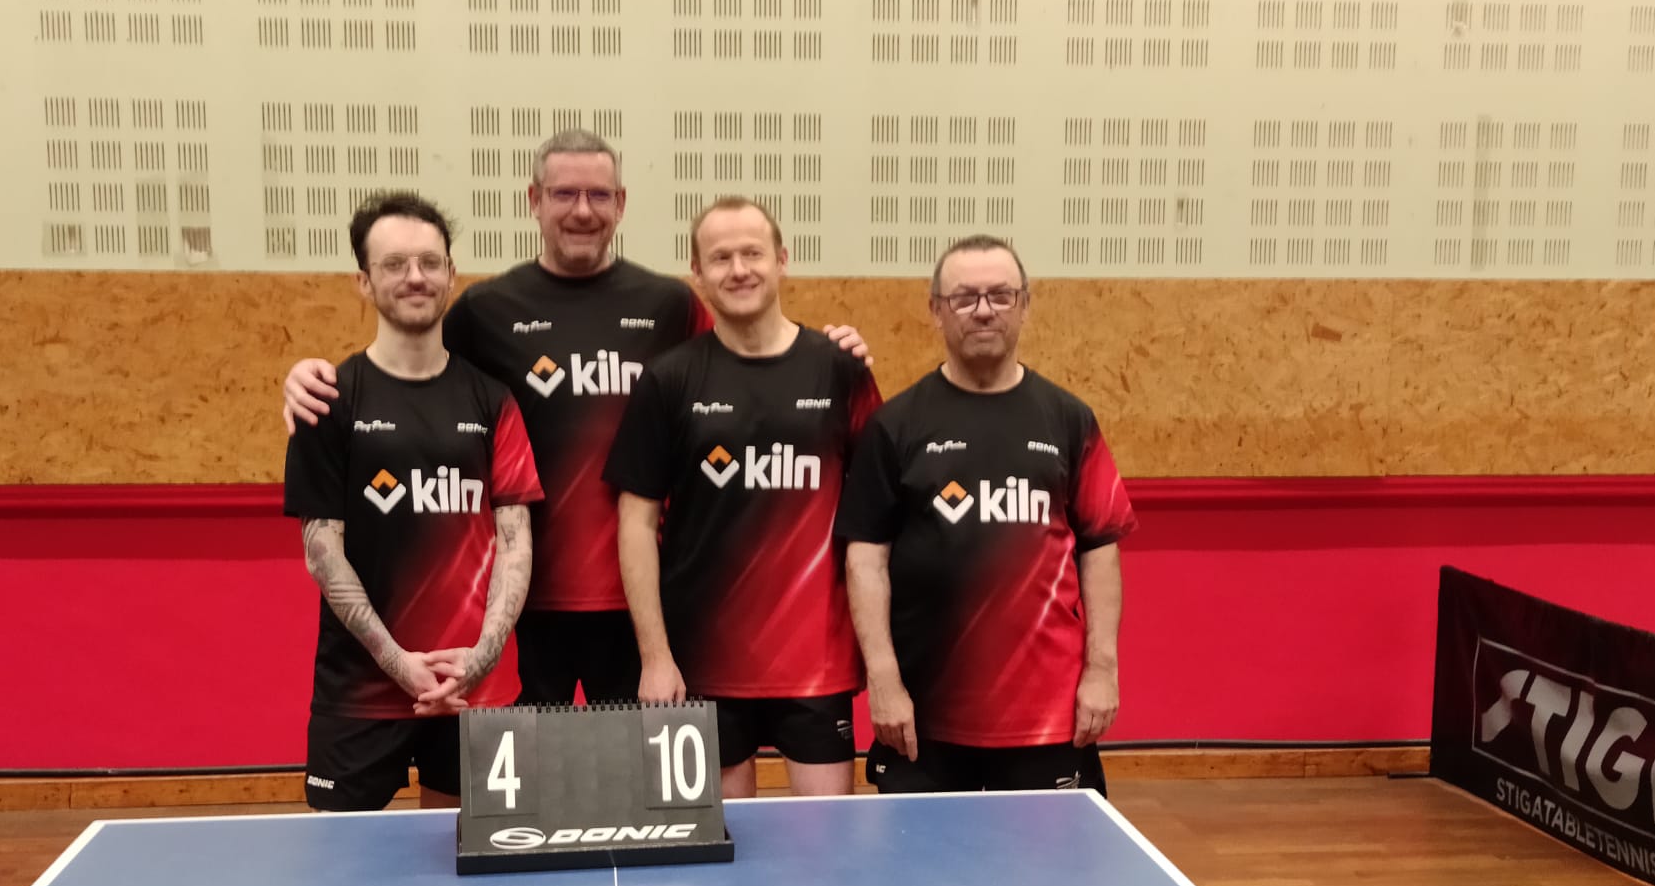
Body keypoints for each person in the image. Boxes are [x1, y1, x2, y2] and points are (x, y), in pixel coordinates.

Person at [281, 130, 868, 705]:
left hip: (646, 607)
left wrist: (827, 353)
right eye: (564, 194)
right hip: (524, 609)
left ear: (621, 203)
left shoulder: (668, 305)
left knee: (636, 773)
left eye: (598, 195)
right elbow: (411, 371)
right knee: (533, 773)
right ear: (534, 201)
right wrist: (310, 379)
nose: (582, 211)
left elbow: (745, 367)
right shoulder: (486, 310)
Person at [835, 234, 1136, 794]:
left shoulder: (1068, 419)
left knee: (1047, 857)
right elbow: (866, 560)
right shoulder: (895, 426)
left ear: (1025, 304)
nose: (982, 310)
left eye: (1000, 295)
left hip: (1046, 718)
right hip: (925, 719)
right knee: (923, 855)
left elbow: (1099, 550)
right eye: (963, 297)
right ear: (936, 310)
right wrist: (883, 679)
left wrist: (1102, 670)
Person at [602, 197, 882, 798]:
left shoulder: (840, 370)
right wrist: (655, 656)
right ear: (697, 273)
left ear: (782, 259)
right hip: (704, 664)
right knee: (723, 846)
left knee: (825, 841)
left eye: (752, 253)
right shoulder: (669, 379)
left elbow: (876, 522)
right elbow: (635, 524)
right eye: (720, 258)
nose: (738, 269)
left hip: (817, 664)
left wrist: (884, 660)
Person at [282, 192, 541, 811]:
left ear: (451, 273)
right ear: (364, 282)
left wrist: (478, 660)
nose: (415, 277)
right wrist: (401, 665)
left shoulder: (493, 401)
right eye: (394, 264)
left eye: (429, 262)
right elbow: (323, 553)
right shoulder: (328, 400)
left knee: (472, 863)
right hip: (359, 696)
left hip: (475, 690)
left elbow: (515, 542)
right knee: (343, 864)